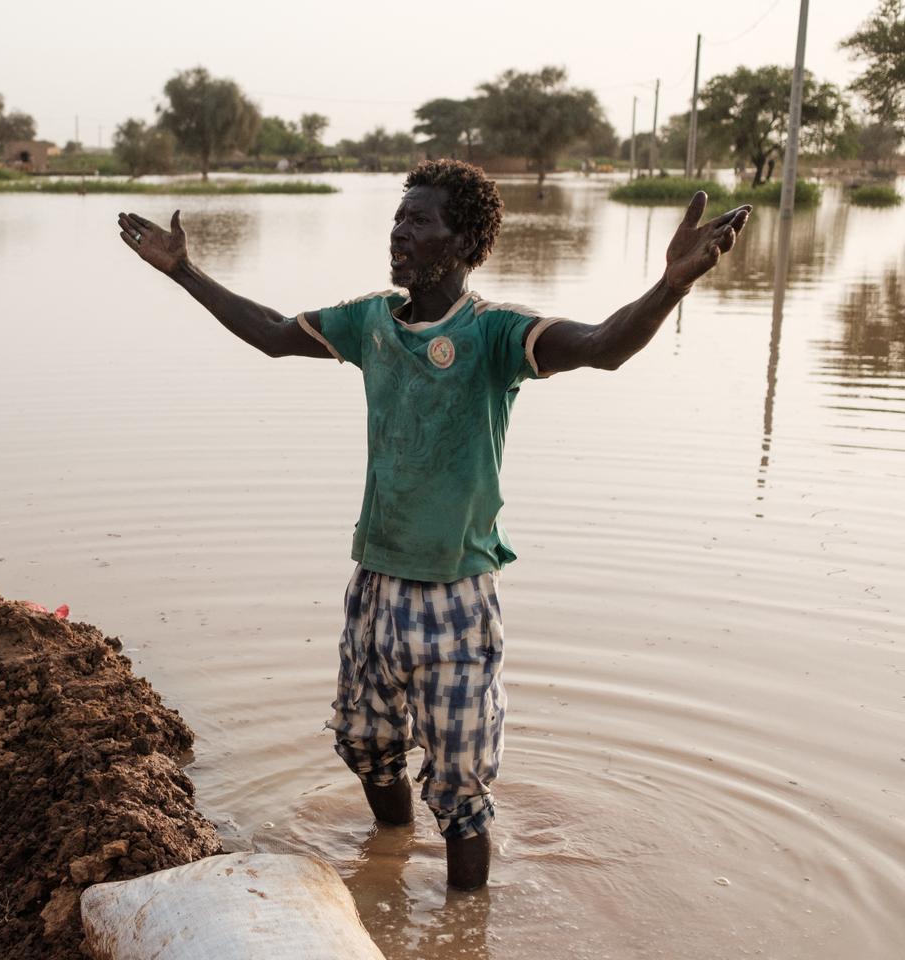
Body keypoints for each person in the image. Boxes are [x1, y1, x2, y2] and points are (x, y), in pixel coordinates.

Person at [115, 159, 751, 891]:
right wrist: (184, 273)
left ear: (464, 239)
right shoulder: (370, 322)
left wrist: (671, 285)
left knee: (460, 793)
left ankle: (462, 927)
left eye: (418, 220)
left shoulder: (497, 335)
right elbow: (269, 332)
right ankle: (387, 858)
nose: (399, 232)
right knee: (365, 746)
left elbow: (604, 346)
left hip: (456, 601)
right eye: (398, 218)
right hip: (375, 586)